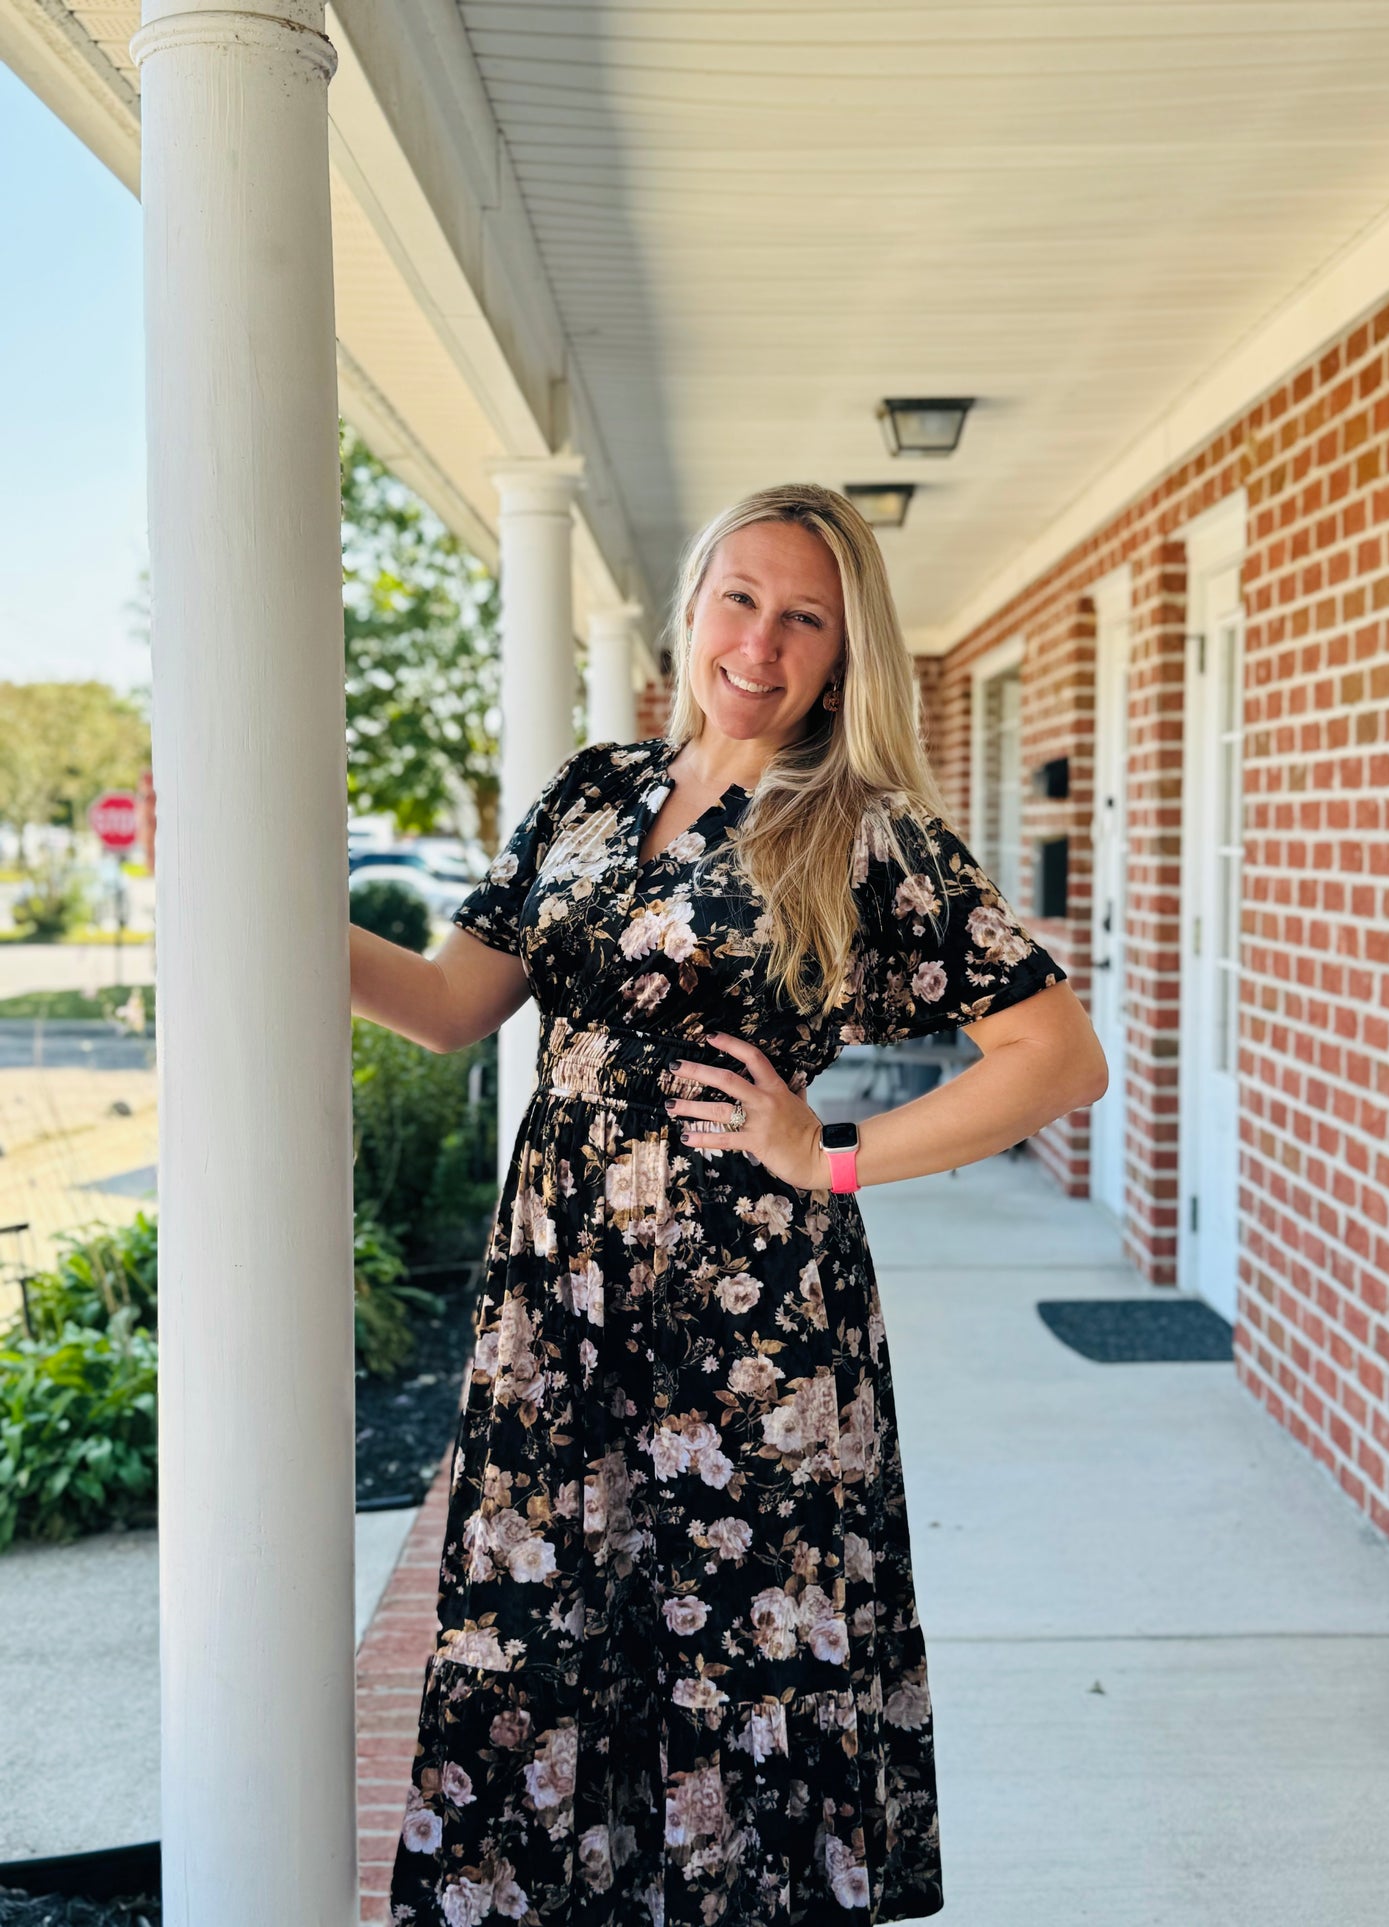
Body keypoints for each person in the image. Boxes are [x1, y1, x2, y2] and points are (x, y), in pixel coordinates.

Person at [350, 482, 1108, 1927]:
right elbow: (453, 1005)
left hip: (752, 1325)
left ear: (840, 653)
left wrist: (827, 1152)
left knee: (737, 1664)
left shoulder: (867, 830)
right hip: (560, 1302)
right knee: (542, 1634)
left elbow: (1056, 1056)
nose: (762, 641)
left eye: (804, 616)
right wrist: (265, 896)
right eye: (740, 600)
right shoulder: (586, 794)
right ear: (691, 610)